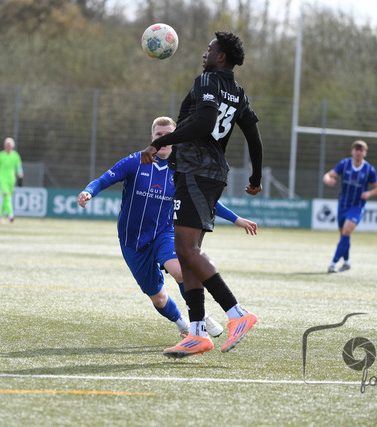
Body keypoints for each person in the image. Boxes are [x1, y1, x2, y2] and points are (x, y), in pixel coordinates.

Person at [140, 31, 264, 358]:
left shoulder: (207, 80)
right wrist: (256, 177)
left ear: (221, 56)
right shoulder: (238, 93)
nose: (205, 53)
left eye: (210, 49)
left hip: (197, 170)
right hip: (208, 172)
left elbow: (206, 122)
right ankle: (197, 333)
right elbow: (253, 136)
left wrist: (160, 142)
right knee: (187, 253)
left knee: (185, 248)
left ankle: (237, 313)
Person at [78, 116, 258, 340]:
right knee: (159, 299)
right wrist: (88, 192)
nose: (163, 139)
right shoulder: (135, 162)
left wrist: (235, 219)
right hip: (132, 241)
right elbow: (103, 180)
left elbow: (204, 200)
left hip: (164, 233)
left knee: (181, 271)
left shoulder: (183, 169)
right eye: (159, 135)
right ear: (152, 137)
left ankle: (199, 318)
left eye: (168, 135)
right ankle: (183, 325)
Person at [323, 140, 377, 273]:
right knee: (344, 235)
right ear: (352, 151)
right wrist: (328, 180)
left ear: (365, 153)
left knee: (347, 231)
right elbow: (327, 175)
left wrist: (369, 193)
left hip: (357, 206)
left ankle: (333, 263)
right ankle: (347, 262)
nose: (358, 152)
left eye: (361, 150)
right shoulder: (344, 164)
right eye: (356, 149)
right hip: (343, 205)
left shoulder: (369, 169)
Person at [0, 137, 24, 223]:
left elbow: (19, 168)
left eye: (10, 144)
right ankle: (11, 215)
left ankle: (1, 217)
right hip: (2, 178)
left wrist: (20, 178)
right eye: (7, 144)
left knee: (6, 199)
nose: (8, 146)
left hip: (11, 180)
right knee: (7, 196)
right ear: (4, 145)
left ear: (13, 146)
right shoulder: (0, 155)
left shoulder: (16, 156)